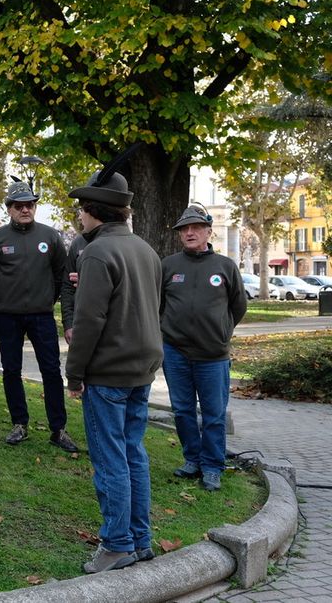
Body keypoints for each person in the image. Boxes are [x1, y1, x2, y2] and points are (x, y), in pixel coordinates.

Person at [65, 169, 163, 574]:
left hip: (108, 374)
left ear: (95, 211)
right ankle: (140, 540)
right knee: (133, 454)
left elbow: (88, 321)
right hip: (142, 370)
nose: (79, 217)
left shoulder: (97, 253)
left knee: (110, 461)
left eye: (81, 210)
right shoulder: (146, 250)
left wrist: (74, 374)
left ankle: (117, 544)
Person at [0, 180, 77, 452]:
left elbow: (61, 276)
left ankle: (58, 429)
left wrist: (47, 299)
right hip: (7, 316)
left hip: (42, 316)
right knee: (11, 370)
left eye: (30, 205)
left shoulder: (51, 237)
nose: (25, 210)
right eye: (19, 206)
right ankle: (19, 424)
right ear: (9, 209)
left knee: (51, 370)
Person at [161, 204, 246, 491]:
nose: (190, 233)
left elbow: (238, 306)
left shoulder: (225, 266)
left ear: (209, 231)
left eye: (196, 227)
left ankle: (212, 467)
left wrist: (222, 332)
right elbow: (157, 304)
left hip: (213, 355)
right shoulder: (168, 266)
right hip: (175, 353)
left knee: (214, 414)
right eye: (184, 229)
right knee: (182, 410)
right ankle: (192, 460)